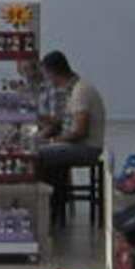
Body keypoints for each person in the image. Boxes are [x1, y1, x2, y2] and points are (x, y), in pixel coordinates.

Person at [37, 50, 107, 221]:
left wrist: (53, 140)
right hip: (80, 145)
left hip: (86, 148)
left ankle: (49, 209)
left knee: (38, 155)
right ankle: (55, 204)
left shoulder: (81, 92)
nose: (48, 80)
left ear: (53, 72)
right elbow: (64, 121)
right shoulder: (75, 89)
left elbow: (80, 132)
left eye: (47, 75)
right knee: (42, 150)